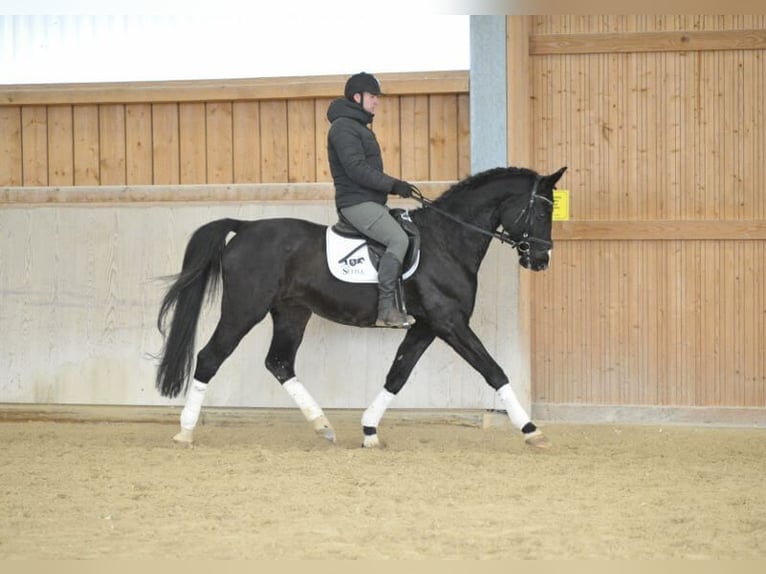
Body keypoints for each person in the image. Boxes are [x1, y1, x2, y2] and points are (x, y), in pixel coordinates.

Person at [327, 72, 416, 328]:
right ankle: (386, 309)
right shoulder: (344, 127)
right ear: (358, 97)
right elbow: (356, 169)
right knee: (397, 239)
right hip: (356, 203)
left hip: (370, 200)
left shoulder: (356, 127)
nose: (376, 102)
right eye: (373, 96)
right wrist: (393, 184)